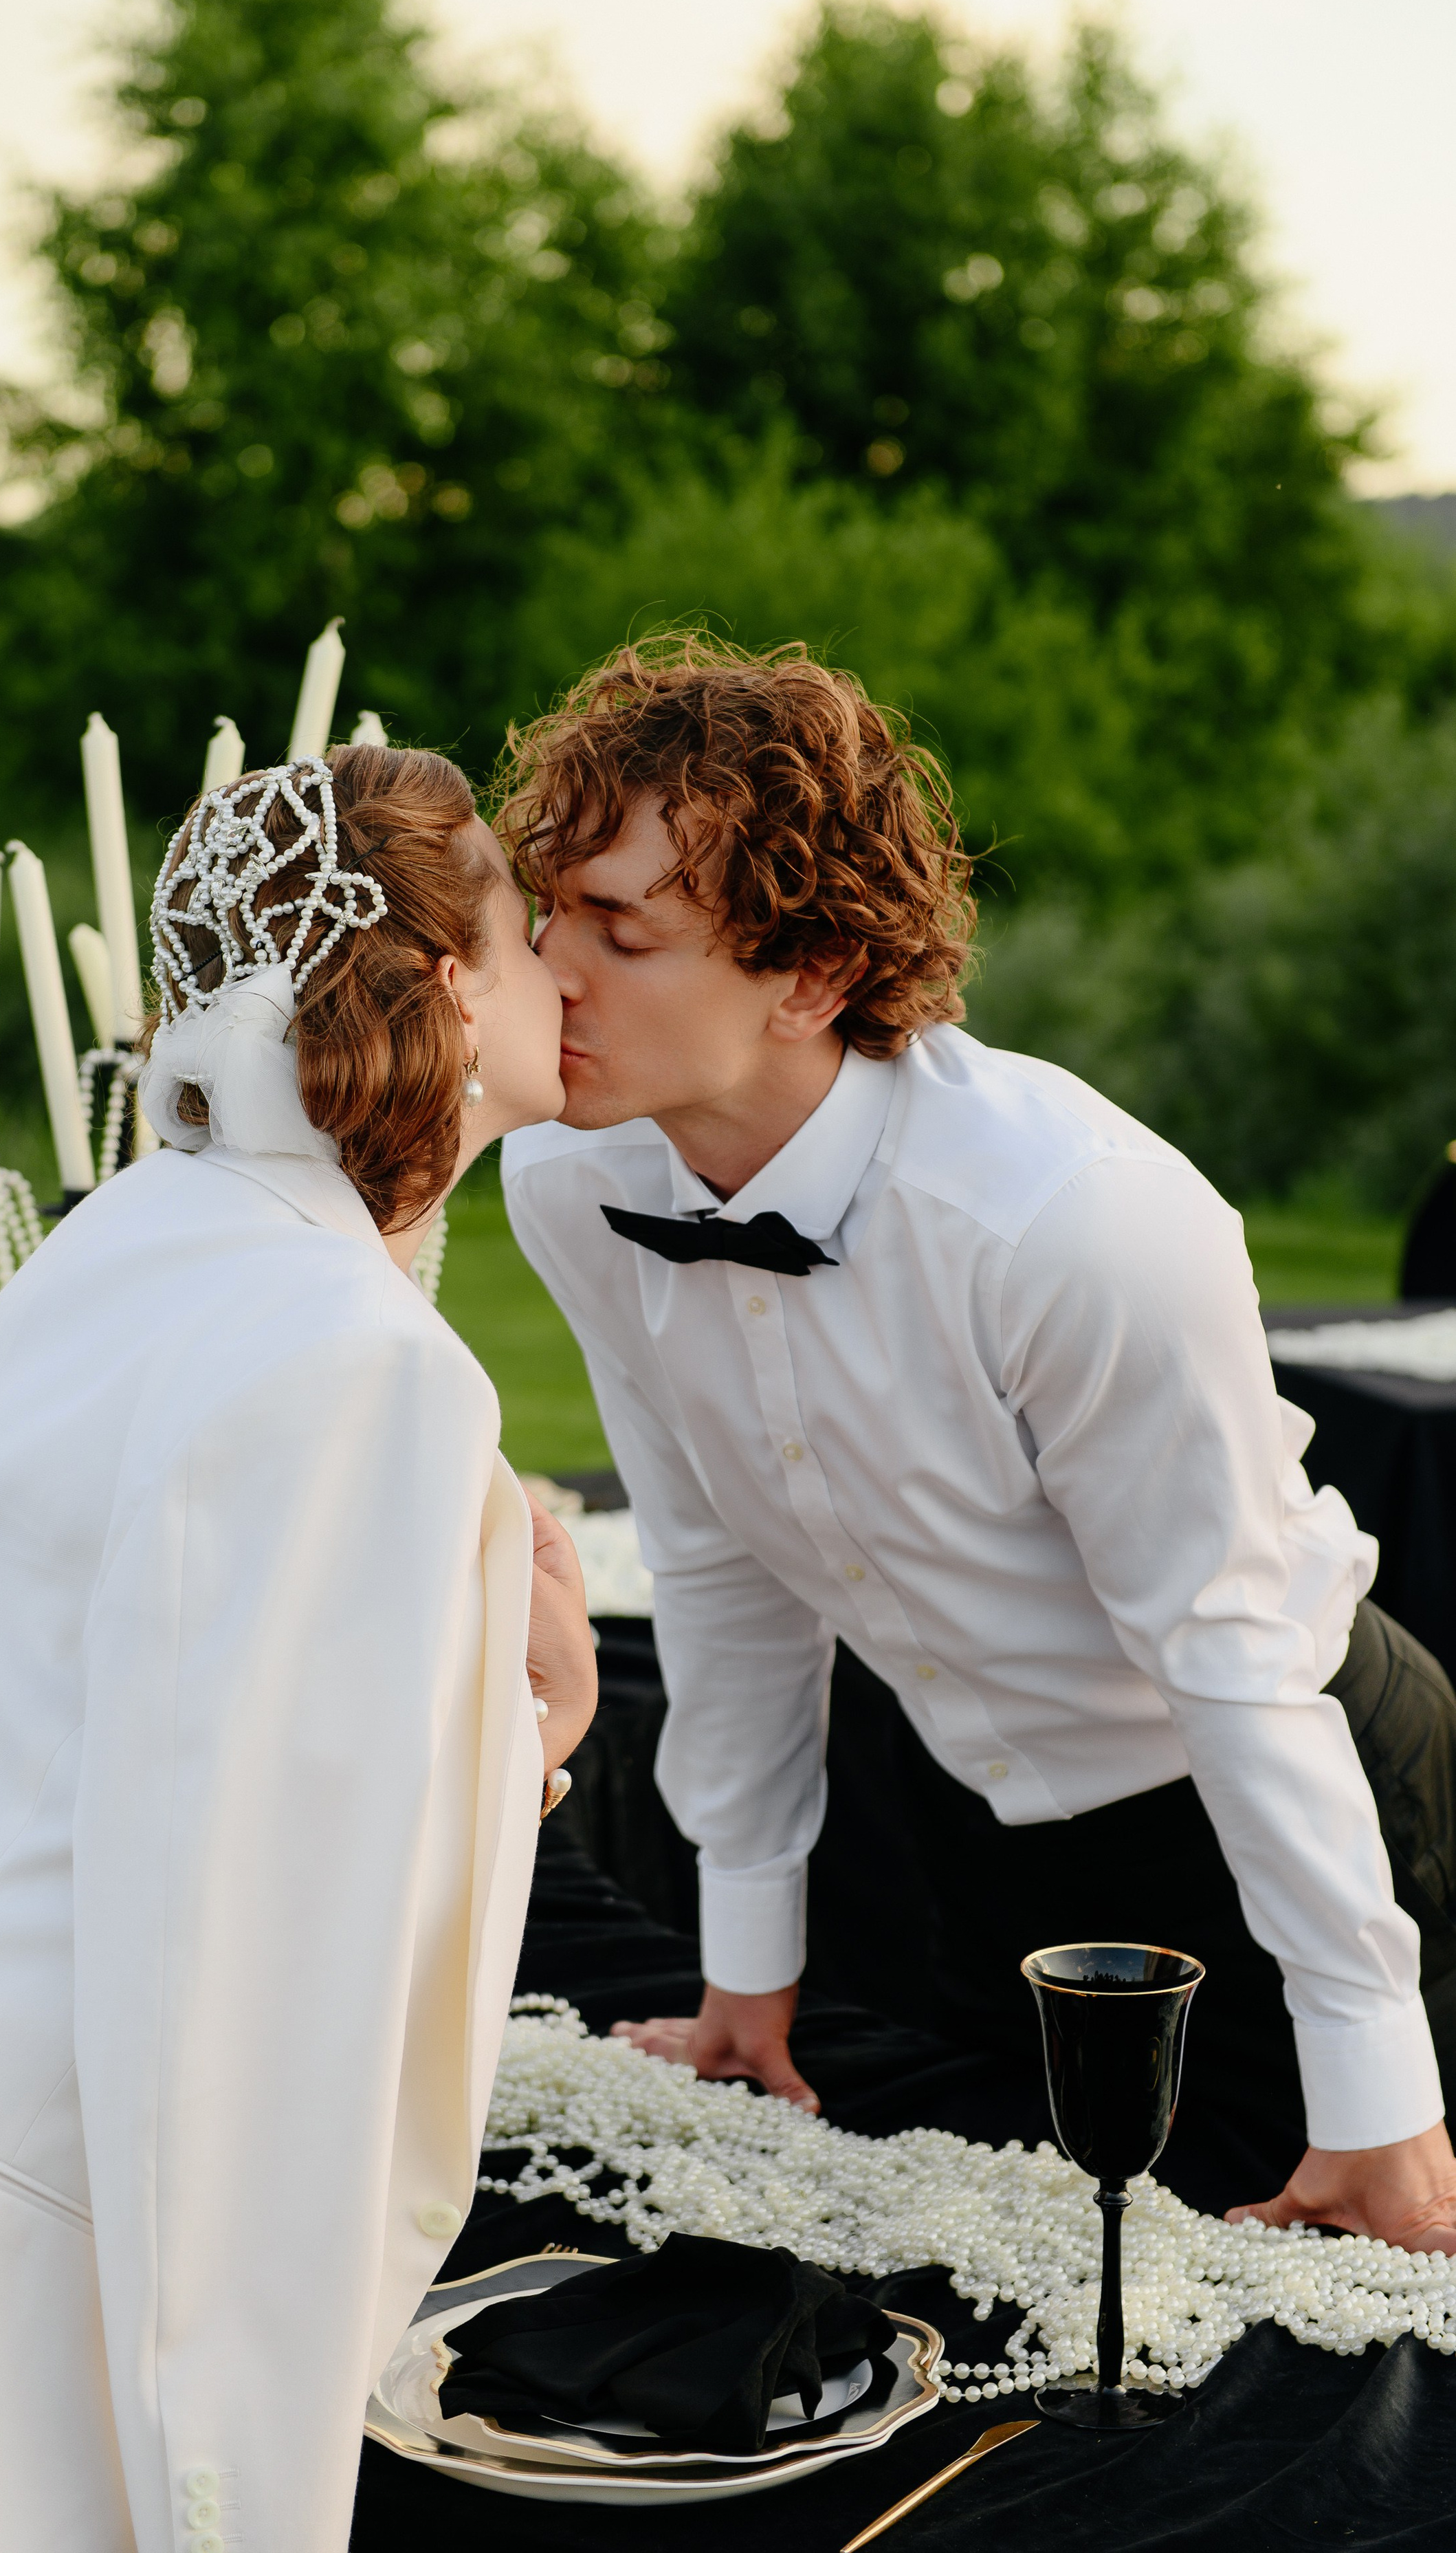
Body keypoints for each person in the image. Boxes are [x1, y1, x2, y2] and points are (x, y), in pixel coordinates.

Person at [0, 745, 597, 2550]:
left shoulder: (137, 1237)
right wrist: (541, 1723)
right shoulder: (358, 1362)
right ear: (438, 982)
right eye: (524, 931)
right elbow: (255, 1959)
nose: (563, 972)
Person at [498, 637, 1456, 2251]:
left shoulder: (1068, 1221)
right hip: (967, 1838)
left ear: (806, 974)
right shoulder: (570, 1182)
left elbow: (1231, 1661)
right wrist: (747, 1975)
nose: (548, 971)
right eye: (546, 910)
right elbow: (718, 1559)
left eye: (619, 928)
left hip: (1293, 1822)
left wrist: (1372, 2092)